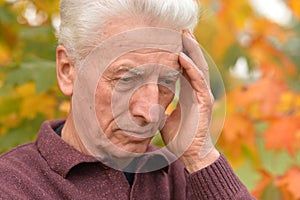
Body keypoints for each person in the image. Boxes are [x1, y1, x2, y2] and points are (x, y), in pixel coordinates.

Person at [0, 0, 255, 199]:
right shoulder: (13, 186)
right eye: (126, 79)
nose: (151, 112)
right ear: (68, 70)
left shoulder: (188, 178)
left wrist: (200, 156)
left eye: (167, 82)